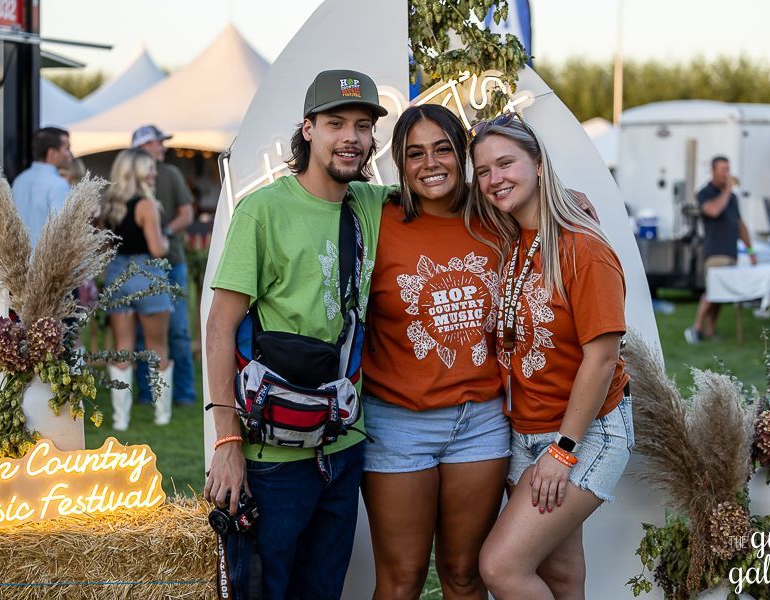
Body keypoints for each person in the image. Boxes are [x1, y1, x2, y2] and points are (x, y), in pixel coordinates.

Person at [204, 69, 390, 599]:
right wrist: (226, 441)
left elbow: (453, 192)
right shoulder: (263, 210)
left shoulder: (372, 206)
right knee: (265, 589)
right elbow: (220, 326)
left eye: (361, 125)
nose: (350, 137)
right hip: (272, 456)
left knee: (323, 590)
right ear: (308, 129)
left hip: (345, 444)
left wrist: (557, 200)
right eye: (335, 123)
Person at [467, 114, 633, 599]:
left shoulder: (583, 250)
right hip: (525, 431)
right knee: (560, 573)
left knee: (500, 567)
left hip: (584, 433)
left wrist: (563, 450)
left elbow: (601, 360)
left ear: (539, 164)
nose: (495, 178)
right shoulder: (512, 239)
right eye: (483, 170)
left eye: (506, 163)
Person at [360, 104, 509, 600]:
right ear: (399, 163)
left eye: (443, 149)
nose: (431, 163)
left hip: (481, 423)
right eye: (414, 153)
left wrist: (570, 199)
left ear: (462, 153)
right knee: (401, 581)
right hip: (398, 424)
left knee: (465, 575)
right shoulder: (375, 220)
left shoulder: (496, 219)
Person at [101, 148, 173, 430]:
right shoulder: (147, 205)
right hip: (147, 276)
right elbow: (157, 248)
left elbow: (107, 249)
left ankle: (121, 420)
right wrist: (165, 240)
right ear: (138, 173)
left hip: (118, 275)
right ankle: (162, 415)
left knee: (122, 348)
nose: (154, 172)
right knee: (157, 347)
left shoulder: (109, 205)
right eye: (150, 168)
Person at [131, 125, 197, 407]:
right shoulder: (127, 180)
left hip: (172, 263)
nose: (163, 148)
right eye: (159, 143)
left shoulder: (169, 174)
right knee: (138, 334)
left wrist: (164, 233)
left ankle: (184, 394)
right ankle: (147, 395)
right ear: (144, 146)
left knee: (178, 331)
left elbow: (187, 214)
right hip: (139, 266)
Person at [684, 156, 757, 344]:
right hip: (715, 252)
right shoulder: (704, 193)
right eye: (723, 169)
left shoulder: (732, 198)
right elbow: (714, 210)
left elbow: (740, 225)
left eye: (728, 169)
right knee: (712, 290)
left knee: (720, 294)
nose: (727, 173)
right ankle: (696, 329)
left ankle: (710, 331)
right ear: (713, 170)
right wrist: (726, 190)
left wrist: (751, 251)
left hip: (731, 251)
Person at [12, 127, 74, 249]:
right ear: (52, 153)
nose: (71, 154)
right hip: (46, 263)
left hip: (17, 261)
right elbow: (62, 231)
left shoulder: (19, 180)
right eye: (67, 149)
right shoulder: (58, 184)